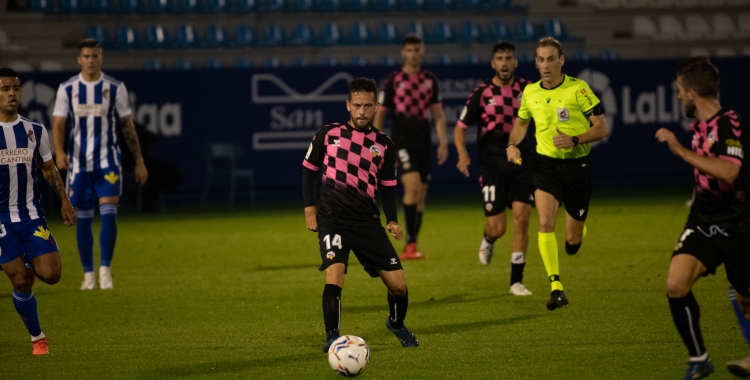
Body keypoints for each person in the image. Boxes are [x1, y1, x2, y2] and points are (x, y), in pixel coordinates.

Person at [303, 77, 419, 351]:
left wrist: (392, 220)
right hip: (332, 219)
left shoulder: (384, 145)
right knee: (335, 271)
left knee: (398, 286)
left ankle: (396, 323)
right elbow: (309, 171)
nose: (362, 111)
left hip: (367, 223)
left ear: (376, 106)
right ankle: (332, 337)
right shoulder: (328, 134)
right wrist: (310, 210)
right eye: (357, 105)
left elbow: (388, 189)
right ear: (348, 105)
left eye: (368, 105)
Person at [655, 57, 750, 380]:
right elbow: (706, 173)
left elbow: (730, 172)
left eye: (680, 91)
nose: (678, 96)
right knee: (675, 284)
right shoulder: (699, 127)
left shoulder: (729, 123)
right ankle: (699, 359)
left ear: (693, 92)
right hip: (703, 221)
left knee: (746, 301)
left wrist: (679, 150)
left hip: (738, 225)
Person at [506, 37, 609, 311]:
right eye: (541, 59)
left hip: (578, 167)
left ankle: (577, 230)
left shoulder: (578, 88)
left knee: (572, 240)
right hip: (545, 165)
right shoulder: (530, 92)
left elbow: (601, 127)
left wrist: (575, 139)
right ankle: (556, 287)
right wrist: (512, 145)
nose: (546, 65)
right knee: (545, 223)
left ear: (561, 60)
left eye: (551, 59)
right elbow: (520, 123)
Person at [52, 38, 148, 290]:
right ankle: (88, 275)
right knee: (82, 219)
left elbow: (127, 126)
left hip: (108, 163)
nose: (91, 61)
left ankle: (105, 270)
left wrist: (138, 160)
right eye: (86, 56)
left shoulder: (115, 88)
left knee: (108, 215)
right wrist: (59, 152)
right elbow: (59, 124)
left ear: (101, 57)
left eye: (95, 56)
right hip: (79, 166)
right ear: (79, 59)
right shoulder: (68, 88)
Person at [0, 68, 77, 355]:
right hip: (1, 220)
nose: (12, 93)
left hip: (31, 215)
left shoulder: (35, 130)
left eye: (16, 88)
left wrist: (65, 201)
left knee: (52, 274)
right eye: (6, 88)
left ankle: (26, 261)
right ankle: (38, 338)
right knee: (19, 280)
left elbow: (48, 169)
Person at [454, 41, 534, 296]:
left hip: (521, 163)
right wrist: (463, 153)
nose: (504, 63)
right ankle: (488, 239)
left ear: (515, 62)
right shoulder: (481, 93)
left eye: (508, 58)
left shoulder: (528, 90)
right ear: (493, 63)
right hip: (491, 168)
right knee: (498, 228)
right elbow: (460, 128)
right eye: (499, 58)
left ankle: (516, 281)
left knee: (522, 220)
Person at [373, 33, 448, 260]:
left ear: (422, 51)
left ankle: (412, 243)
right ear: (403, 53)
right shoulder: (393, 80)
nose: (413, 54)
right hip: (401, 141)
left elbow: (437, 114)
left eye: (417, 50)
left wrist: (443, 141)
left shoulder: (429, 80)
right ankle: (408, 243)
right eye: (409, 50)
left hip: (423, 141)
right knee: (413, 187)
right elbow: (380, 114)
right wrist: (379, 142)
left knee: (422, 193)